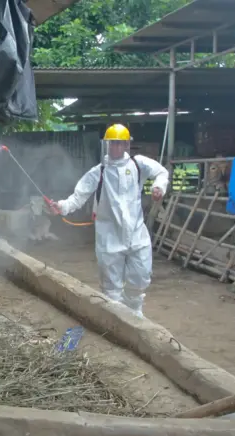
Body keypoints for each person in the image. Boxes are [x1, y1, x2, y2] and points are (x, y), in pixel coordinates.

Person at [48, 124, 169, 319]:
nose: (116, 149)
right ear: (107, 145)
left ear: (127, 145)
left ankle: (135, 315)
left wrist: (158, 187)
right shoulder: (99, 172)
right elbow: (79, 196)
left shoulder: (138, 165)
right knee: (111, 288)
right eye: (113, 144)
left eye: (120, 144)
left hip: (137, 234)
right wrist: (61, 207)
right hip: (109, 237)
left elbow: (162, 172)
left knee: (140, 277)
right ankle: (117, 321)